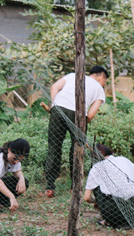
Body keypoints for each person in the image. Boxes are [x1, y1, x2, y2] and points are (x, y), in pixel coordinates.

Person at [45, 66, 108, 198]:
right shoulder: (99, 89)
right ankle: (74, 187)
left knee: (54, 147)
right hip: (78, 115)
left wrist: (54, 104)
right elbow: (90, 114)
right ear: (101, 77)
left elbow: (54, 87)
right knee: (77, 149)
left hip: (58, 110)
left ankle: (50, 186)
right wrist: (83, 123)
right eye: (105, 81)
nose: (104, 84)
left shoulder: (72, 75)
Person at [83, 144, 134, 229]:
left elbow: (86, 197)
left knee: (96, 185)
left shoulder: (96, 168)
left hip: (114, 215)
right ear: (111, 153)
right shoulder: (124, 160)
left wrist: (96, 201)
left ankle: (108, 221)